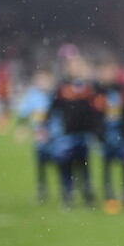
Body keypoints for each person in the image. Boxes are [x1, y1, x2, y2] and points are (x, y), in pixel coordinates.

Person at [47, 53, 97, 209]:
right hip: (67, 135)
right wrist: (47, 128)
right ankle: (67, 196)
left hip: (84, 134)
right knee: (66, 166)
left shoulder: (88, 88)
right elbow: (52, 109)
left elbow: (94, 110)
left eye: (79, 65)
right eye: (73, 66)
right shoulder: (62, 88)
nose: (76, 69)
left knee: (84, 165)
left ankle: (88, 196)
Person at [91, 56, 124, 212]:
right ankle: (109, 196)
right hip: (105, 135)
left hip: (121, 134)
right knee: (107, 166)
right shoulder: (96, 92)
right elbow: (93, 115)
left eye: (110, 71)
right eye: (104, 71)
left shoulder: (123, 91)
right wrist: (98, 132)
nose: (107, 74)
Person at [14, 68, 61, 203]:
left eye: (45, 79)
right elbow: (23, 113)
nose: (43, 82)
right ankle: (42, 189)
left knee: (59, 162)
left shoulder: (55, 95)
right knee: (41, 163)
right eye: (40, 79)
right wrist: (21, 128)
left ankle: (63, 189)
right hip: (39, 137)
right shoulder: (32, 95)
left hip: (55, 136)